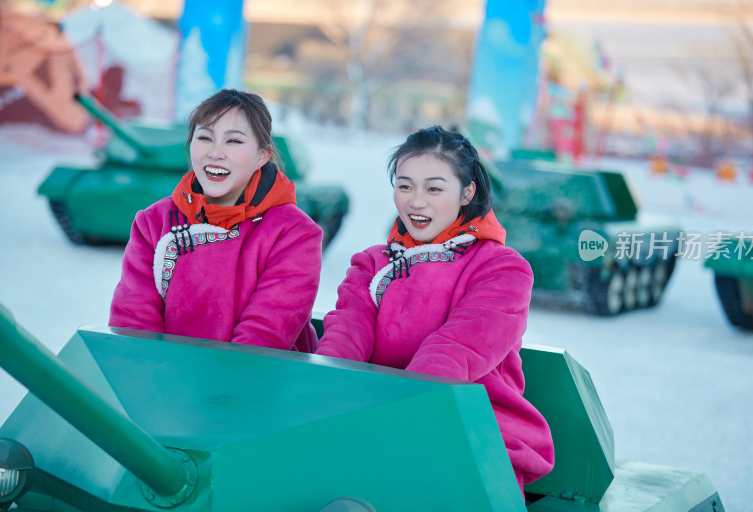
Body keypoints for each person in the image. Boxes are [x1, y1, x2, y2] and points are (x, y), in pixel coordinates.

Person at [316, 126, 554, 496]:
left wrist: (398, 416)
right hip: (370, 422)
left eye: (434, 188)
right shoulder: (373, 263)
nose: (416, 201)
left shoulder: (502, 269)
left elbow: (456, 349)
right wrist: (323, 392)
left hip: (471, 432)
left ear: (467, 193)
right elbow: (347, 333)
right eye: (405, 185)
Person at [110, 89, 321, 353]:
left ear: (261, 156)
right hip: (164, 378)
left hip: (255, 383)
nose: (215, 152)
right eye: (205, 138)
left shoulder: (293, 233)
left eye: (233, 141)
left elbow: (266, 331)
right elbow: (133, 318)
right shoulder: (153, 223)